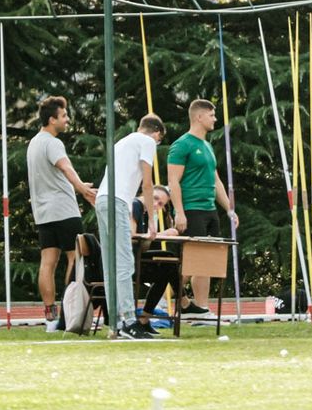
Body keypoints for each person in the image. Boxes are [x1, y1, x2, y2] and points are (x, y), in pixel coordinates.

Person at [27, 95, 97, 331]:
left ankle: (50, 318)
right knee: (75, 259)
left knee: (47, 263)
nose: (67, 120)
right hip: (64, 210)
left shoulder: (33, 143)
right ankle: (69, 315)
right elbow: (66, 168)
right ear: (52, 119)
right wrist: (83, 190)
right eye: (64, 116)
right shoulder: (53, 143)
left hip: (43, 213)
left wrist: (79, 187)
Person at [95, 114, 165, 340]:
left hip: (103, 199)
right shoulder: (147, 142)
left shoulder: (121, 142)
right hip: (117, 201)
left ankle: (115, 323)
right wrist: (152, 220)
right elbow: (147, 183)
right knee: (124, 262)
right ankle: (128, 320)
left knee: (110, 265)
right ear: (156, 133)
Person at [166, 98, 237, 316]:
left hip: (209, 210)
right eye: (211, 115)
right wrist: (179, 212)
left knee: (206, 262)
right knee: (192, 262)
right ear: (199, 117)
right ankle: (161, 299)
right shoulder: (182, 145)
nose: (215, 119)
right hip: (191, 209)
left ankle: (201, 309)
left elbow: (216, 181)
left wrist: (229, 209)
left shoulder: (207, 146)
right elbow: (173, 181)